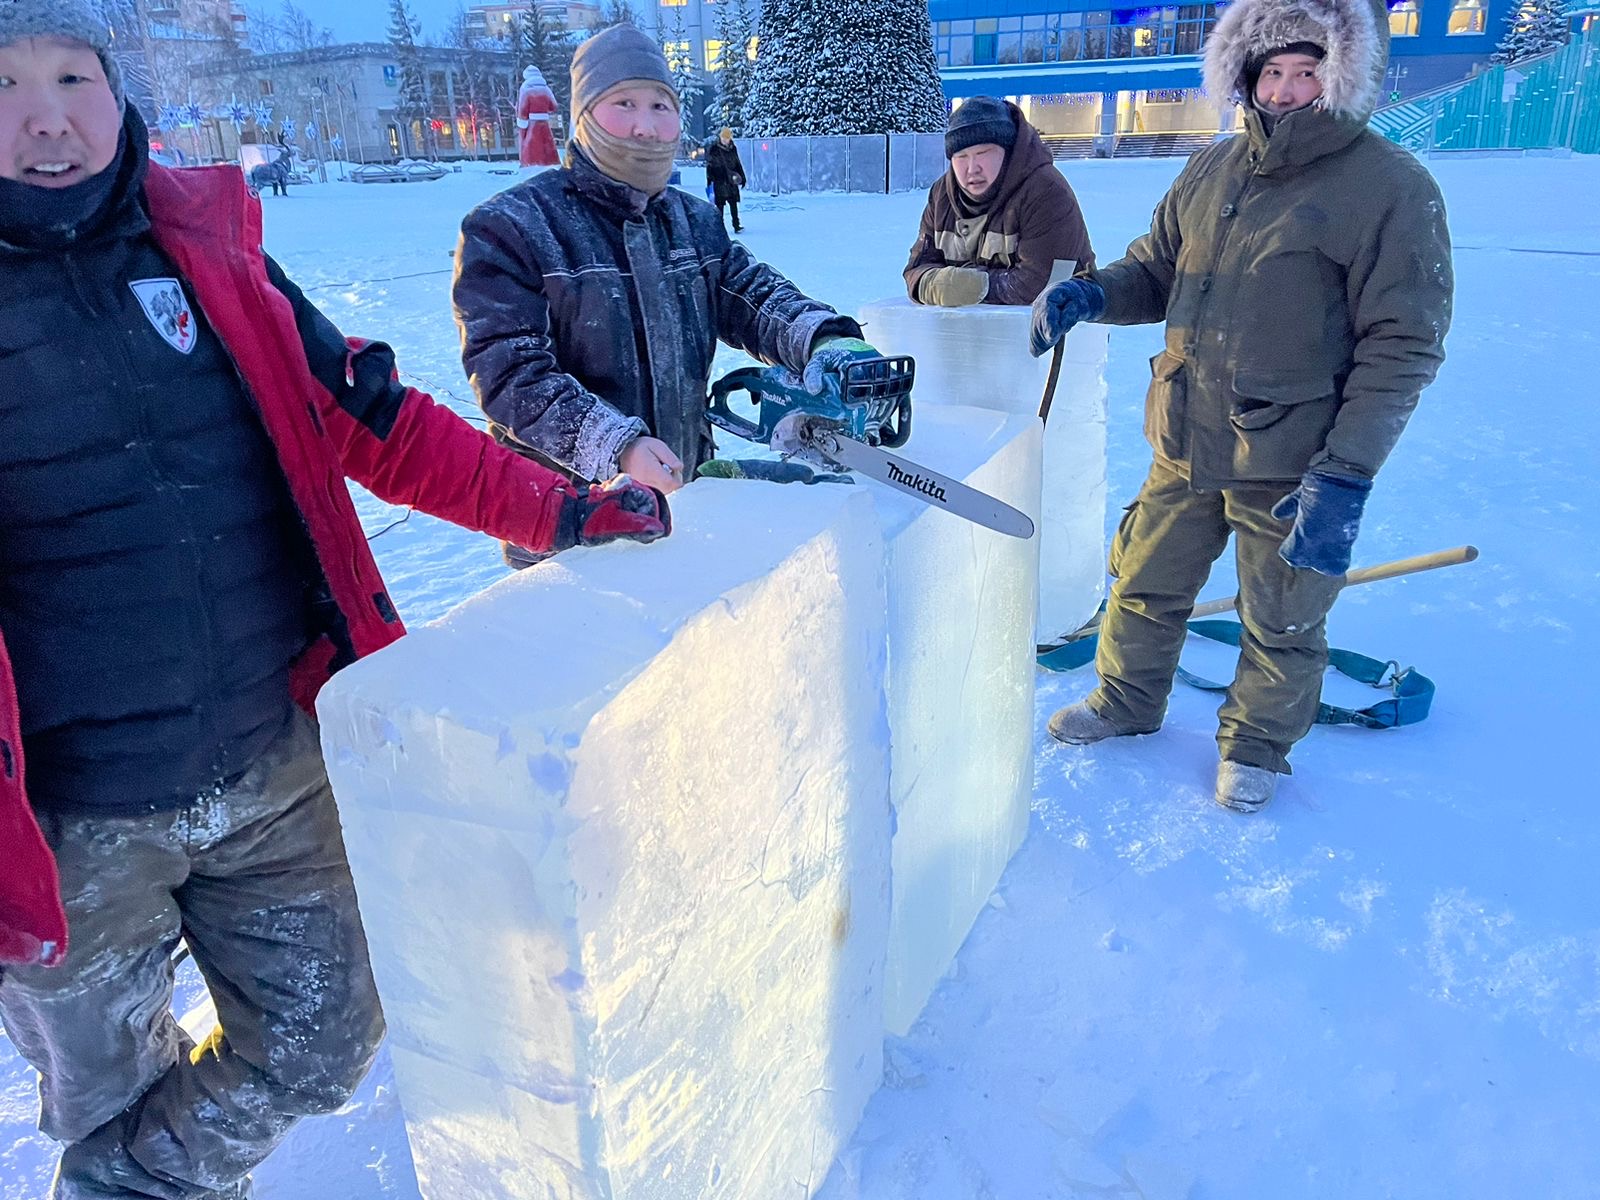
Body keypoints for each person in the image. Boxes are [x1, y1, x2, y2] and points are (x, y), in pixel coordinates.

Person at [0, 6, 669, 1198]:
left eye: (70, 74)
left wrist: (565, 510)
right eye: (1, 83)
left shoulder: (208, 256)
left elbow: (381, 424)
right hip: (67, 830)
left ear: (118, 88)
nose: (45, 114)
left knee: (323, 1039)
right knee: (102, 1093)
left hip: (270, 763)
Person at [1029, 0, 1453, 813]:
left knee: (1282, 615)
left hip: (1293, 458)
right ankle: (1126, 700)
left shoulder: (1391, 187)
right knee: (1143, 584)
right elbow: (1154, 270)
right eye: (1274, 73)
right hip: (1184, 438)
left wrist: (1347, 474)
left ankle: (1257, 744)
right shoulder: (1211, 169)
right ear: (1247, 77)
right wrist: (1092, 293)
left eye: (1309, 72)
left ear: (1342, 77)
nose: (1289, 90)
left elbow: (1404, 345)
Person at [453, 24, 880, 564]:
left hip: (683, 498)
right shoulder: (511, 227)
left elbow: (754, 297)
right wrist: (617, 445)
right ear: (583, 114)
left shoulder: (692, 220)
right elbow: (512, 377)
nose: (646, 127)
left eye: (661, 105)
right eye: (624, 103)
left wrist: (824, 338)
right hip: (567, 523)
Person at [904, 95, 1095, 307]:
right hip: (966, 336)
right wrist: (936, 285)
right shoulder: (941, 196)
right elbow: (916, 269)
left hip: (1056, 334)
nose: (972, 168)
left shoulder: (1046, 192)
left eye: (983, 153)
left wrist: (976, 286)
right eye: (961, 156)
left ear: (1008, 151)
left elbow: (1045, 284)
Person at [516, 64, 560, 169]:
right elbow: (553, 106)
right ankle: (550, 164)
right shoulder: (546, 89)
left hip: (532, 124)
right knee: (547, 146)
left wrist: (522, 123)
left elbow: (523, 109)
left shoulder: (526, 88)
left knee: (531, 148)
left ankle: (530, 166)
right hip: (544, 123)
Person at [705, 124, 745, 234]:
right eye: (723, 138)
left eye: (727, 138)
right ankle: (719, 228)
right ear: (720, 137)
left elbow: (737, 163)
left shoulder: (733, 149)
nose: (725, 140)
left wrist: (742, 177)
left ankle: (736, 225)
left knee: (733, 204)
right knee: (720, 207)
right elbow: (709, 166)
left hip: (731, 181)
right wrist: (710, 181)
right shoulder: (714, 149)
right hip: (719, 181)